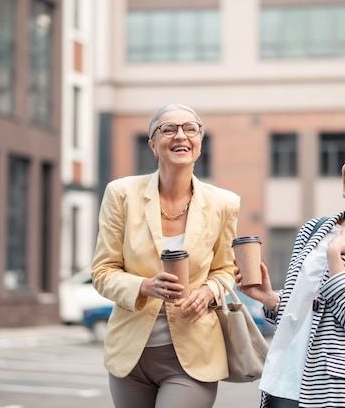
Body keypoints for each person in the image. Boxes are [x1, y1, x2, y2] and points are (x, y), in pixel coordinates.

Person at [235, 134, 345, 408]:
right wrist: (269, 298)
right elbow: (300, 314)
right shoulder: (315, 230)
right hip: (283, 380)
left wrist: (335, 258)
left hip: (337, 391)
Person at [91, 104, 240, 408]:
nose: (180, 135)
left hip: (193, 355)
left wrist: (207, 291)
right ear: (153, 145)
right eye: (168, 129)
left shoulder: (224, 203)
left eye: (190, 128)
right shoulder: (121, 194)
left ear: (199, 142)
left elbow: (225, 270)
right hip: (130, 358)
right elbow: (102, 272)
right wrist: (145, 287)